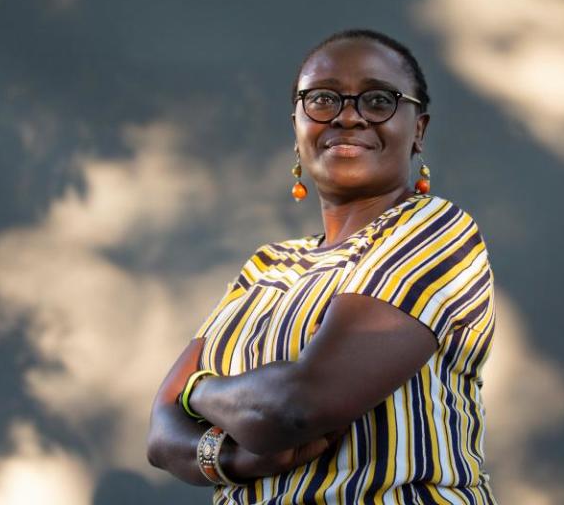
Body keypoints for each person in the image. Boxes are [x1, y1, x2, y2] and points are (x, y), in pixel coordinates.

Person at [147, 29, 496, 504]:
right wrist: (233, 460)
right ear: (297, 126)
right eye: (323, 100)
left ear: (418, 130)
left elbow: (298, 407)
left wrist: (198, 393)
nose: (349, 116)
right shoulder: (266, 266)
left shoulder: (434, 229)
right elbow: (162, 437)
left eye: (378, 101)